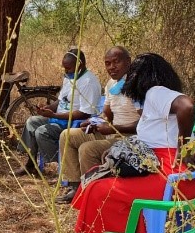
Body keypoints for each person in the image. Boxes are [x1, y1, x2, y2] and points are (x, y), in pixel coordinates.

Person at [72, 52, 195, 233]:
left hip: (172, 175)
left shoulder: (156, 91)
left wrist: (184, 149)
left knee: (101, 190)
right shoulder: (153, 98)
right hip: (160, 167)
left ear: (142, 75)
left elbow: (187, 107)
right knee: (95, 176)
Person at [56, 46, 139, 203]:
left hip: (130, 138)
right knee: (68, 135)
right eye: (108, 63)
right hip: (112, 132)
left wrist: (112, 128)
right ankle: (76, 187)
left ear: (128, 62)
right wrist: (94, 122)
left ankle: (95, 196)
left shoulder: (137, 84)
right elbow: (107, 115)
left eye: (116, 62)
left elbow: (144, 123)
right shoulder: (110, 84)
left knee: (88, 149)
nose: (111, 67)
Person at [13, 49, 102, 176]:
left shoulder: (88, 82)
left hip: (73, 123)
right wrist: (48, 108)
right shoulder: (69, 77)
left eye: (68, 68)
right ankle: (30, 165)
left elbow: (84, 113)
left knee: (42, 132)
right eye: (64, 68)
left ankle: (61, 164)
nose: (66, 71)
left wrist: (54, 115)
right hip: (58, 118)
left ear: (79, 65)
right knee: (31, 122)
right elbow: (61, 101)